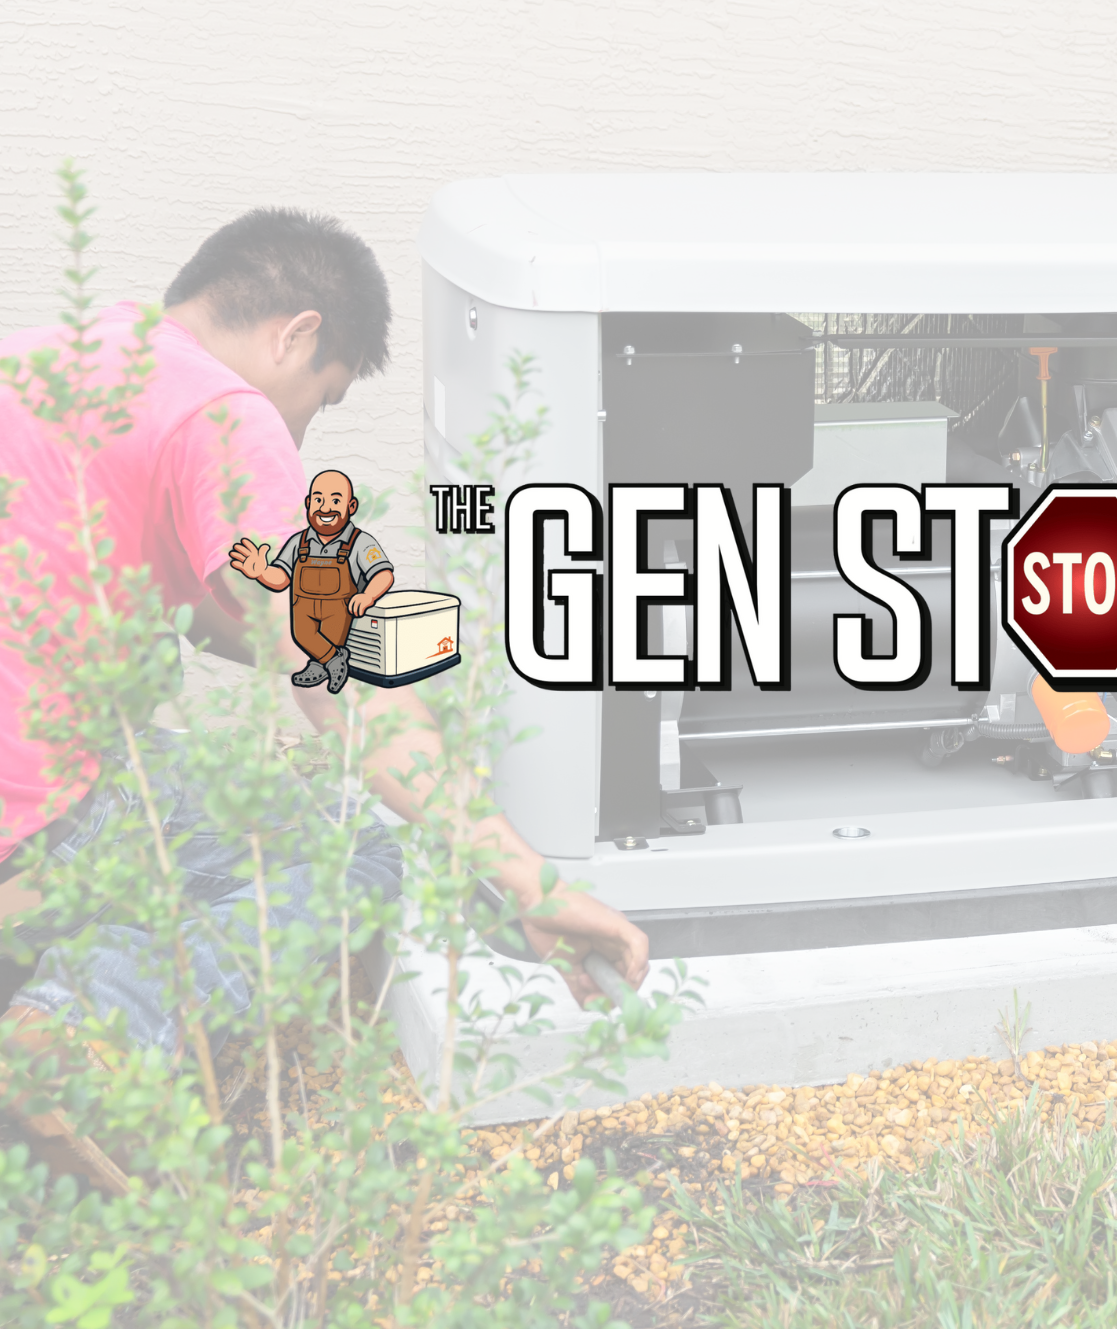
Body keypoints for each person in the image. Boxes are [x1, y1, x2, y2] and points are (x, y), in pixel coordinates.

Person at [0, 207, 649, 1080]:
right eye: (323, 397)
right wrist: (532, 880)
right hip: (32, 813)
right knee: (358, 851)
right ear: (296, 333)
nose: (302, 437)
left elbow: (245, 615)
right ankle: (77, 1030)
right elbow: (337, 689)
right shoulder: (226, 414)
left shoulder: (54, 356)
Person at [232, 467, 397, 692]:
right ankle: (331, 661)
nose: (326, 508)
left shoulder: (360, 542)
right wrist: (261, 572)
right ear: (308, 504)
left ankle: (326, 662)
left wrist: (368, 595)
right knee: (303, 636)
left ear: (351, 507)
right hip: (303, 608)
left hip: (338, 610)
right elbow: (281, 578)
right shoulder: (298, 542)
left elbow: (383, 574)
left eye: (335, 500)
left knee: (331, 639)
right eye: (318, 500)